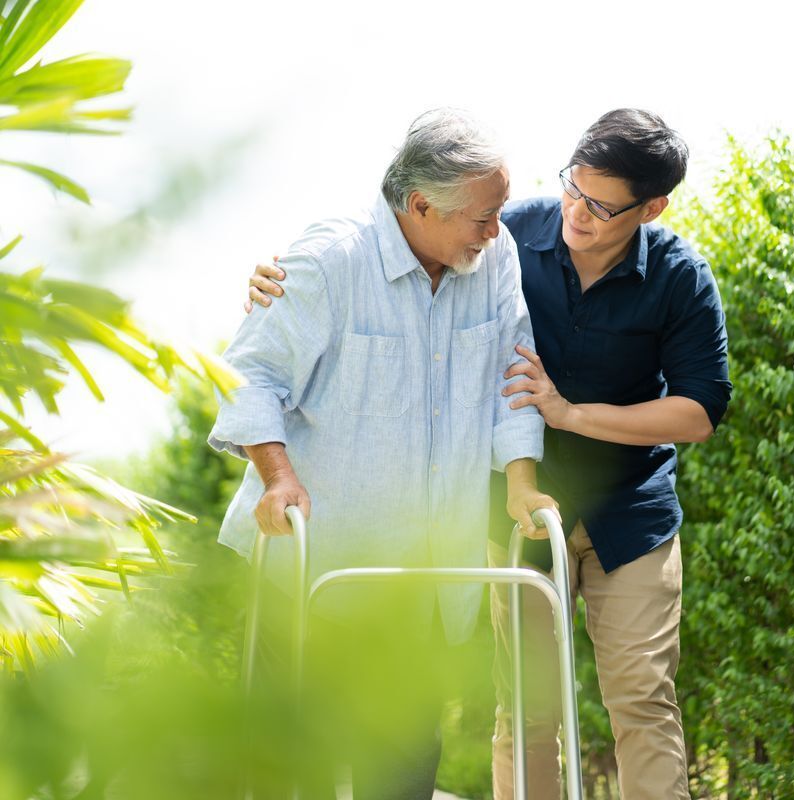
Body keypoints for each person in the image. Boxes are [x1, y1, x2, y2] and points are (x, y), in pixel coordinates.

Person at [247, 108, 731, 800]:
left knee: (642, 700)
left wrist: (562, 424)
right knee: (527, 709)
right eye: (573, 187)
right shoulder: (503, 236)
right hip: (506, 520)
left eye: (602, 205)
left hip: (628, 514)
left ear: (650, 207)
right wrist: (278, 286)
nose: (577, 212)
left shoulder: (674, 275)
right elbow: (304, 330)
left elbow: (697, 409)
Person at [212, 107, 557, 800]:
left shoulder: (495, 262)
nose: (496, 232)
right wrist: (276, 478)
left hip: (423, 581)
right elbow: (251, 376)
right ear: (422, 205)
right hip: (315, 566)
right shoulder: (328, 261)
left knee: (402, 768)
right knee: (298, 763)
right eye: (483, 218)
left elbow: (512, 379)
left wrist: (520, 483)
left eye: (500, 215)